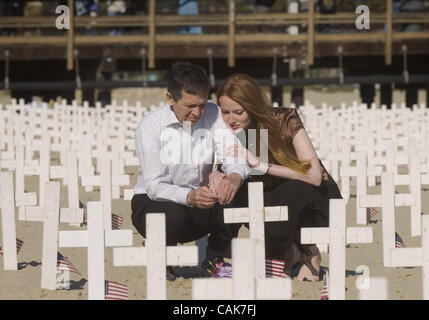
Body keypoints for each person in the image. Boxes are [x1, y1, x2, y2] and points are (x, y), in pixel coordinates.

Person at [212, 74, 342, 281]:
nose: (230, 120)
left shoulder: (284, 119)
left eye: (238, 112)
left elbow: (314, 176)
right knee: (235, 190)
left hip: (315, 199)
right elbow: (229, 169)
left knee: (289, 189)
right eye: (224, 112)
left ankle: (308, 252)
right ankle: (218, 256)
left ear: (253, 107)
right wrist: (216, 174)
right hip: (270, 202)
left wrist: (262, 165)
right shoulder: (230, 132)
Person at [131, 63, 251, 279]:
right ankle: (161, 255)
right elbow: (154, 185)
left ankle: (215, 257)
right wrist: (189, 196)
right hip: (156, 201)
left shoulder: (213, 114)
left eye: (202, 104)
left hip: (201, 200)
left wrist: (233, 177)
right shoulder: (150, 126)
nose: (197, 112)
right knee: (171, 215)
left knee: (240, 187)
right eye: (190, 105)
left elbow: (234, 154)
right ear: (170, 98)